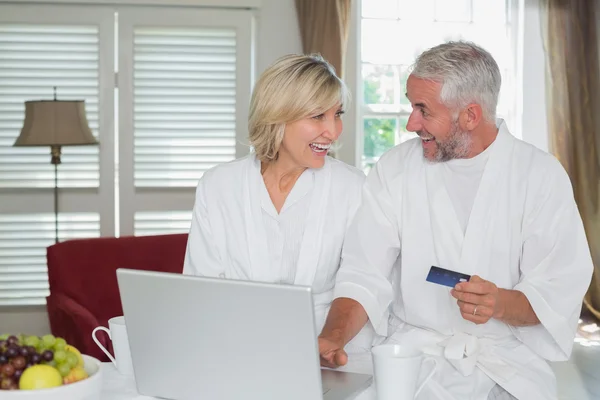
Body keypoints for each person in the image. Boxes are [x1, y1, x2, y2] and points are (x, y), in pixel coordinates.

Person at [317, 41, 594, 400]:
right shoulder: (396, 168)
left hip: (503, 365)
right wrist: (333, 337)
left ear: (471, 115)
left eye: (423, 110)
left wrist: (500, 303)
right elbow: (364, 272)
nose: (410, 123)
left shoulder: (539, 176)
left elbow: (558, 289)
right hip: (413, 358)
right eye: (410, 104)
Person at [183, 54, 374, 352]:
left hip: (327, 354)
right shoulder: (218, 185)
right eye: (317, 116)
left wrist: (330, 341)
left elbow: (364, 280)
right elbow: (201, 290)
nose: (333, 131)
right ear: (277, 115)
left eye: (337, 114)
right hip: (235, 348)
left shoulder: (353, 187)